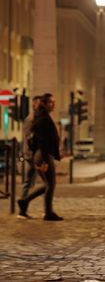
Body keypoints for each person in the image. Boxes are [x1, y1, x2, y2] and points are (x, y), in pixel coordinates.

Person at [18, 93, 63, 221]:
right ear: (44, 103)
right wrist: (44, 160)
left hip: (43, 153)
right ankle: (44, 210)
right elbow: (42, 141)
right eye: (50, 102)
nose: (53, 105)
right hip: (43, 154)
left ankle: (27, 202)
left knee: (49, 184)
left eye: (53, 102)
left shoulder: (42, 116)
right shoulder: (42, 118)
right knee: (50, 184)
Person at [17, 96, 42, 219]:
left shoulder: (36, 118)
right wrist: (29, 156)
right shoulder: (31, 119)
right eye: (38, 104)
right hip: (32, 155)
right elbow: (28, 139)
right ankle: (23, 205)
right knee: (34, 183)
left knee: (30, 182)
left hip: (33, 155)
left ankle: (23, 206)